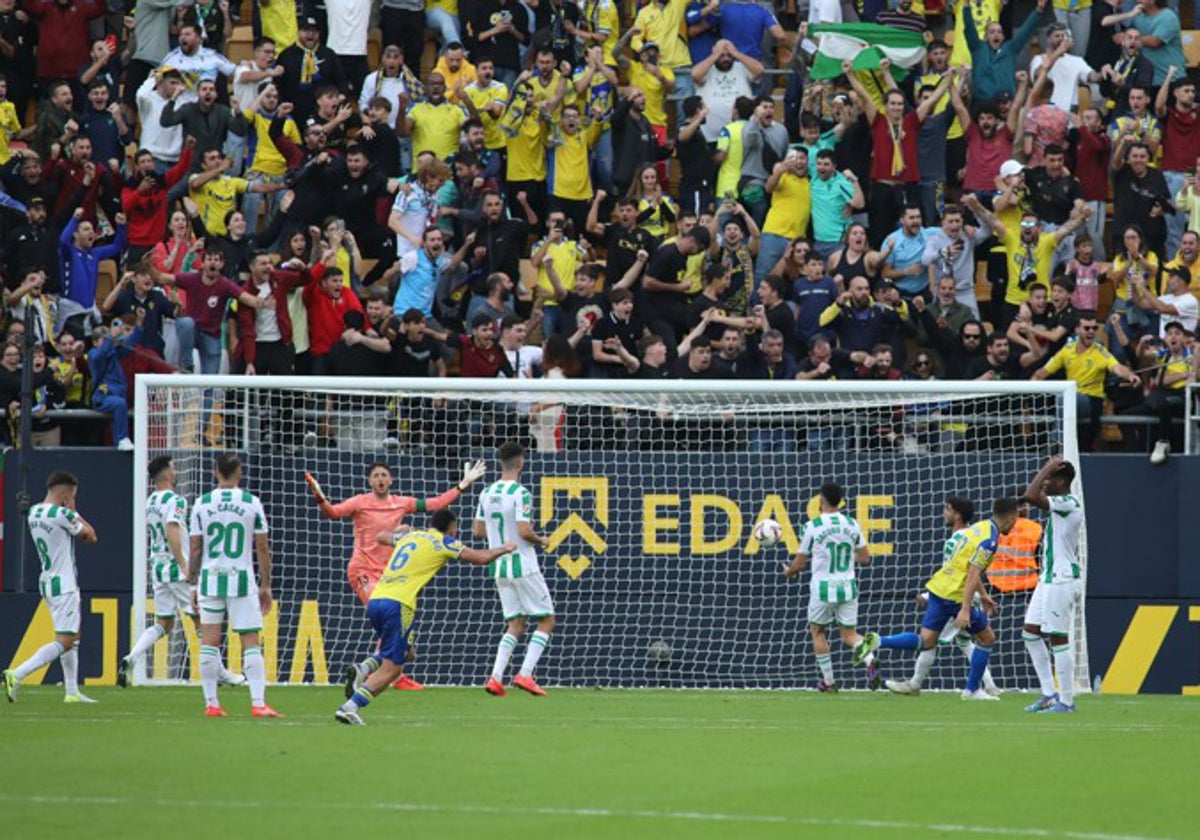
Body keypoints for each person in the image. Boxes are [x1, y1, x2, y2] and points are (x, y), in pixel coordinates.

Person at [309, 459, 487, 691]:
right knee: (389, 623)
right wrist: (320, 497)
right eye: (376, 476)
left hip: (388, 574)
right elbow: (332, 513)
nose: (380, 479)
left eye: (384, 475)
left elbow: (436, 504)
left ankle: (377, 671)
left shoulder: (400, 503)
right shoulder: (360, 502)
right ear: (370, 481)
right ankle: (387, 673)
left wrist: (463, 484)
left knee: (392, 624)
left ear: (391, 480)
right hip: (363, 570)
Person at [335, 509, 515, 725]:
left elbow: (381, 537)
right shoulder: (444, 542)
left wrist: (399, 530)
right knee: (393, 668)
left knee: (408, 652)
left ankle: (363, 669)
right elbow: (481, 558)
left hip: (377, 599)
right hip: (398, 604)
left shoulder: (412, 535)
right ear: (452, 527)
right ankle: (350, 707)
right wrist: (505, 548)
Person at [859, 497, 1021, 700]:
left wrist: (985, 594)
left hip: (938, 589)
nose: (1016, 524)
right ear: (1011, 517)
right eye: (1016, 519)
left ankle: (879, 641)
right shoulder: (990, 541)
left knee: (926, 641)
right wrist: (964, 608)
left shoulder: (980, 527)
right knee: (987, 637)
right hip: (955, 596)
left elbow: (967, 565)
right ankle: (972, 690)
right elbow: (972, 573)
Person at [117, 456, 245, 689]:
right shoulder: (175, 500)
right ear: (167, 474)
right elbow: (172, 528)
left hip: (158, 568)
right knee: (204, 621)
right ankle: (221, 673)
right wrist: (184, 564)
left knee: (164, 623)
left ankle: (132, 657)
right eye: (174, 468)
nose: (176, 472)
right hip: (176, 568)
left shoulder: (150, 501)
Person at [188, 453, 280, 719]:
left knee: (210, 642)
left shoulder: (201, 504)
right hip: (241, 579)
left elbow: (195, 549)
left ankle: (212, 704)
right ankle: (258, 703)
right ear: (239, 473)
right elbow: (262, 547)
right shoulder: (251, 503)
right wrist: (266, 585)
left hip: (210, 579)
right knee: (251, 641)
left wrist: (193, 585)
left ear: (216, 472)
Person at [3, 471, 99, 703]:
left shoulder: (34, 511)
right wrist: (74, 509)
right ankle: (17, 673)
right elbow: (91, 536)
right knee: (66, 639)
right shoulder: (62, 513)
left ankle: (72, 692)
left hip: (47, 581)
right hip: (64, 584)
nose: (73, 499)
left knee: (72, 637)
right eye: (72, 495)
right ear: (64, 493)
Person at [475, 441, 556, 697]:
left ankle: (496, 677)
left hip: (498, 566)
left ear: (500, 462)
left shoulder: (486, 493)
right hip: (523, 564)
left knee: (516, 623)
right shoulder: (521, 493)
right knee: (546, 619)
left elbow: (477, 532)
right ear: (520, 463)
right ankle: (525, 674)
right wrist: (542, 539)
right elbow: (523, 530)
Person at [782, 481, 879, 692]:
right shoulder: (852, 523)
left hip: (823, 588)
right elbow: (865, 559)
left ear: (821, 499)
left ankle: (829, 682)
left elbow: (799, 563)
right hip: (848, 586)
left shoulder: (812, 526)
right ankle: (870, 659)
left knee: (817, 632)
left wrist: (789, 572)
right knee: (849, 636)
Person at [1021, 456, 1084, 714]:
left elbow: (1030, 496)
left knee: (1058, 638)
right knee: (1030, 631)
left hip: (1062, 579)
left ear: (1061, 481)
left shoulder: (1068, 502)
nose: (1044, 483)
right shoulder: (1060, 503)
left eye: (1049, 479)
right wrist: (1048, 471)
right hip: (1047, 579)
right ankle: (1049, 693)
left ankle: (1067, 702)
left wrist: (1045, 468)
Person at [1033, 316, 1141, 452]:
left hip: (1091, 402)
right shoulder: (1067, 350)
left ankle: (1055, 442)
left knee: (1065, 398)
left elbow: (1117, 368)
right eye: (1087, 328)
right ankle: (1055, 443)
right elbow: (1043, 372)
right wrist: (1029, 386)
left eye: (1094, 328)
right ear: (1077, 330)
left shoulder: (1100, 351)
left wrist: (1130, 375)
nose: (1091, 331)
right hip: (1071, 400)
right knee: (1062, 398)